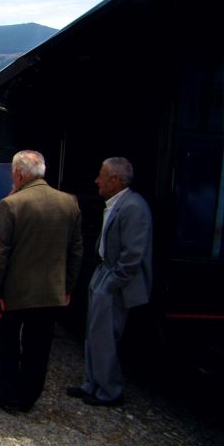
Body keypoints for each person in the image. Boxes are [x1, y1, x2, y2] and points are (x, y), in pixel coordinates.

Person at [0, 150, 83, 413]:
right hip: (51, 291)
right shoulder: (68, 203)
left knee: (6, 346)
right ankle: (29, 397)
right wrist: (68, 287)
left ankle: (9, 394)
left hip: (13, 292)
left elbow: (0, 253)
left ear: (17, 173)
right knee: (38, 347)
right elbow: (76, 250)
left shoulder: (11, 204)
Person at [67, 157, 152, 407]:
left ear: (115, 180)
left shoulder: (134, 207)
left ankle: (109, 390)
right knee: (94, 332)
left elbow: (133, 255)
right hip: (104, 271)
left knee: (105, 335)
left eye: (102, 175)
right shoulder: (118, 204)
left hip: (113, 279)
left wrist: (112, 282)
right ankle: (92, 383)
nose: (97, 180)